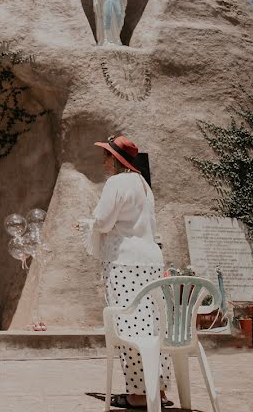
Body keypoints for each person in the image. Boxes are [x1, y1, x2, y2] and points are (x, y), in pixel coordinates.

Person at [78, 136, 173, 409]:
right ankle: (158, 389)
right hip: (150, 261)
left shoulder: (116, 183)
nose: (103, 161)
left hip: (124, 263)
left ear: (116, 160)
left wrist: (88, 224)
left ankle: (136, 395)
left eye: (107, 156)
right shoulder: (144, 184)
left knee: (128, 326)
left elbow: (105, 221)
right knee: (154, 327)